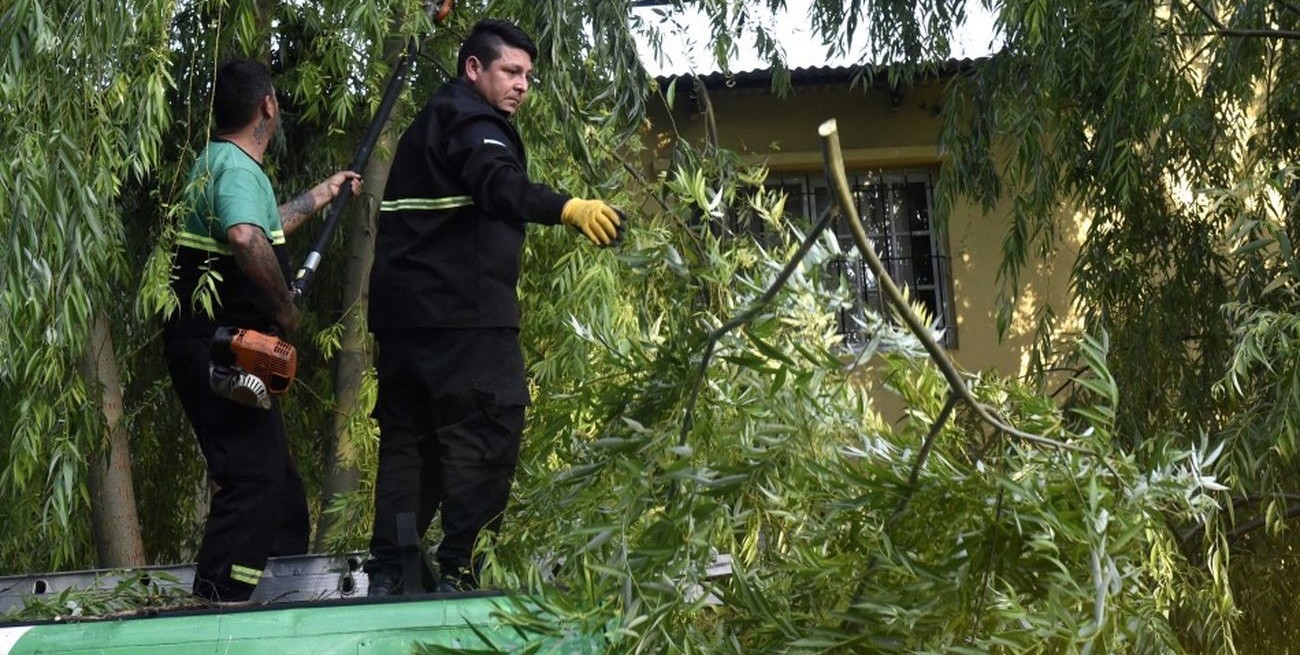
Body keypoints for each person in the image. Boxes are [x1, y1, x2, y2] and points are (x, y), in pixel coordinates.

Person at [364, 18, 622, 595]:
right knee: (487, 432)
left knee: (411, 445)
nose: (522, 85)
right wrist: (568, 208)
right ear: (473, 68)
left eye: (528, 75)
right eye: (511, 71)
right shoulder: (474, 123)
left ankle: (391, 571)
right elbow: (499, 184)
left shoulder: (427, 126)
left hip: (403, 325)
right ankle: (464, 569)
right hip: (464, 321)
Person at [163, 57, 360, 603]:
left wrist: (323, 193)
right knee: (253, 478)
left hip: (219, 348)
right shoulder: (237, 169)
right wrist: (284, 307)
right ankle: (218, 603)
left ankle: (275, 599)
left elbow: (264, 222)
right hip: (219, 348)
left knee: (283, 492)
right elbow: (247, 238)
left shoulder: (219, 163)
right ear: (268, 105)